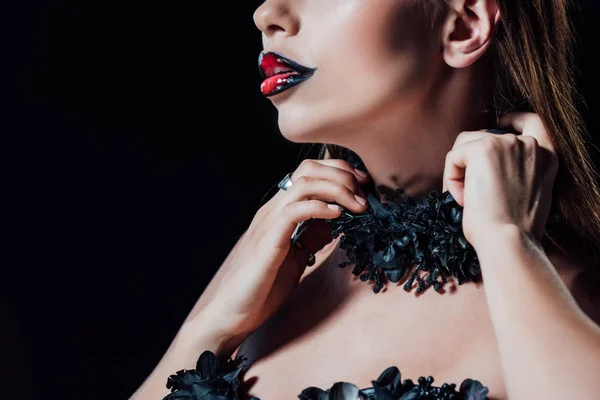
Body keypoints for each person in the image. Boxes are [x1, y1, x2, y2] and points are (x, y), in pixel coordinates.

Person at [130, 0, 600, 399]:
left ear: (464, 25)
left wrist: (507, 241)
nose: (267, 14)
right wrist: (209, 329)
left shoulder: (571, 289)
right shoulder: (279, 261)